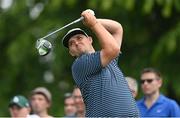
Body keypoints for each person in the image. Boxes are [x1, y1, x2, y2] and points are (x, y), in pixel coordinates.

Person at [62, 9, 139, 117]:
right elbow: (113, 49)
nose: (76, 43)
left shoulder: (109, 59)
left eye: (79, 38)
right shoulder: (80, 64)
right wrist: (93, 24)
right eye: (71, 43)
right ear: (71, 52)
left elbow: (117, 29)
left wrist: (92, 21)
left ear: (90, 39)